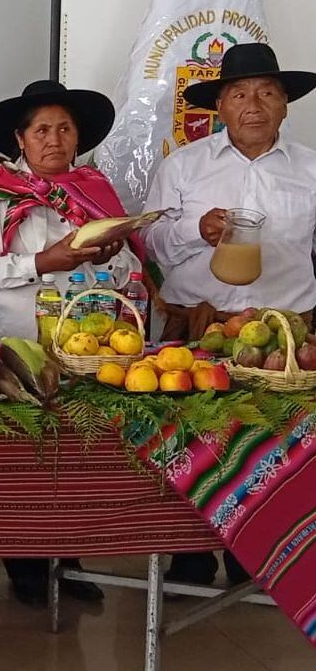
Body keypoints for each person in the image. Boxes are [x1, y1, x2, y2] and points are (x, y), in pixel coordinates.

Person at [143, 42, 316, 588]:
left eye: (267, 92)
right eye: (239, 93)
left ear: (285, 104)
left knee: (276, 445)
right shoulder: (184, 165)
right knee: (189, 442)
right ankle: (188, 560)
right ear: (219, 107)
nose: (254, 104)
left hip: (284, 333)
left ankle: (258, 559)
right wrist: (197, 230)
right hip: (199, 324)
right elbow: (150, 239)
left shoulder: (312, 168)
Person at [0, 79, 140, 607]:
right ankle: (25, 568)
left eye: (64, 128)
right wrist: (44, 262)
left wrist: (106, 254)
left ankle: (69, 562)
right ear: (20, 139)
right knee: (21, 461)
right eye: (41, 129)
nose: (54, 138)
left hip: (86, 347)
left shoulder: (96, 193)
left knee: (73, 460)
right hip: (18, 346)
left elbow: (129, 267)